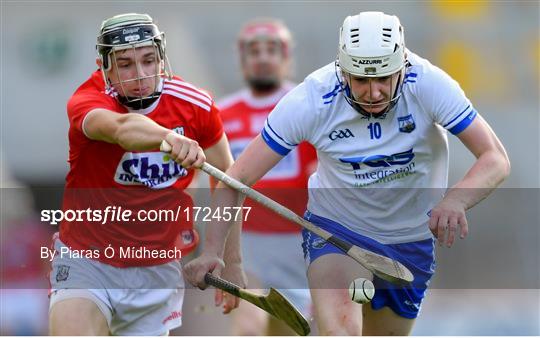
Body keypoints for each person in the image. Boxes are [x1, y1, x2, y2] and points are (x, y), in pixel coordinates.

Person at [184, 11, 511, 336]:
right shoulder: (311, 99)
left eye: (383, 78)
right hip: (336, 233)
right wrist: (215, 252)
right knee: (341, 331)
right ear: (342, 71)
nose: (373, 93)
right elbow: (235, 180)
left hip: (409, 241)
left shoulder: (429, 85)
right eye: (361, 80)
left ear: (402, 67)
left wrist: (456, 200)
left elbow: (495, 158)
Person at [48, 13, 245, 335]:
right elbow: (122, 129)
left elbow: (227, 178)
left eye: (148, 61)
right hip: (87, 259)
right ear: (105, 66)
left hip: (157, 268)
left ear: (161, 59)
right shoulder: (88, 101)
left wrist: (225, 258)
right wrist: (169, 138)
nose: (139, 74)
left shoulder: (196, 105)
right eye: (125, 64)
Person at [217, 18, 317, 335]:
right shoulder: (220, 113)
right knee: (249, 327)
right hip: (246, 244)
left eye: (272, 49)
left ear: (287, 56)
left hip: (299, 245)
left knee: (289, 330)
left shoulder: (309, 107)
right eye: (254, 50)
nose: (262, 57)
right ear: (242, 60)